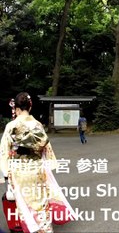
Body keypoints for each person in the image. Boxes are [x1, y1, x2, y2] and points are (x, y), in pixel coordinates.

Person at [0, 92, 75, 232]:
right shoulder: (38, 125)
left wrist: (5, 172)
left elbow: (4, 151)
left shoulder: (11, 126)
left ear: (16, 109)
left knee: (23, 205)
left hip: (18, 171)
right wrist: (49, 163)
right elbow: (46, 148)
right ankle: (45, 229)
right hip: (36, 169)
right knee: (41, 202)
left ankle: (29, 228)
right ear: (30, 107)